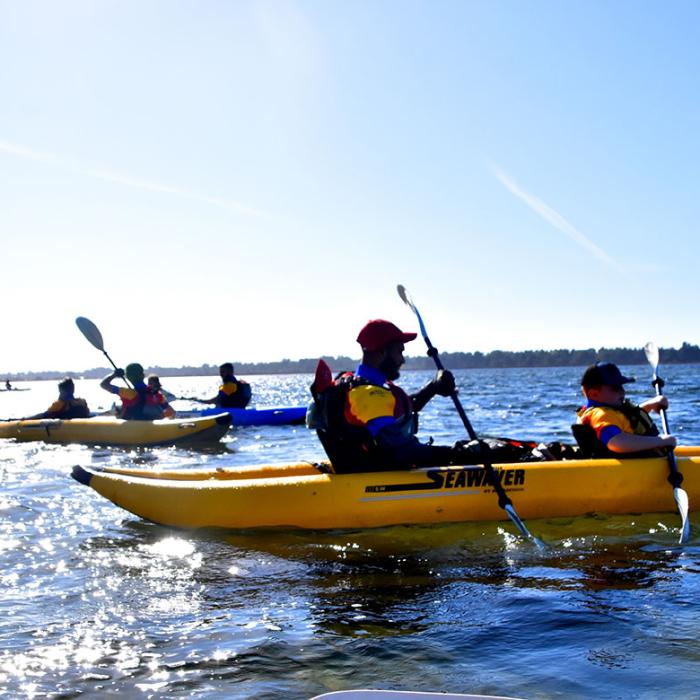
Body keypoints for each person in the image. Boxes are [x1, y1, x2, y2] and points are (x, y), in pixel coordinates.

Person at [308, 319, 487, 473]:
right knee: (482, 450)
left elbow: (402, 409)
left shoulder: (361, 385)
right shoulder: (369, 395)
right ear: (382, 353)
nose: (402, 360)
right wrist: (459, 453)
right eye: (399, 352)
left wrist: (433, 387)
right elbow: (402, 452)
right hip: (375, 479)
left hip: (370, 470)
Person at [574, 361, 676, 457]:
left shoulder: (607, 412)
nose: (622, 391)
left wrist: (651, 405)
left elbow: (630, 418)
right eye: (615, 388)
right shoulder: (601, 414)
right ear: (594, 394)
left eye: (621, 386)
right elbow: (616, 442)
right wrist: (660, 441)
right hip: (628, 465)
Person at [100, 363, 173, 420]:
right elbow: (171, 412)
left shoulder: (127, 393)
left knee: (119, 410)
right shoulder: (156, 394)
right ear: (143, 375)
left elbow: (103, 384)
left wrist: (114, 375)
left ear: (128, 378)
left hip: (133, 427)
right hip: (153, 427)